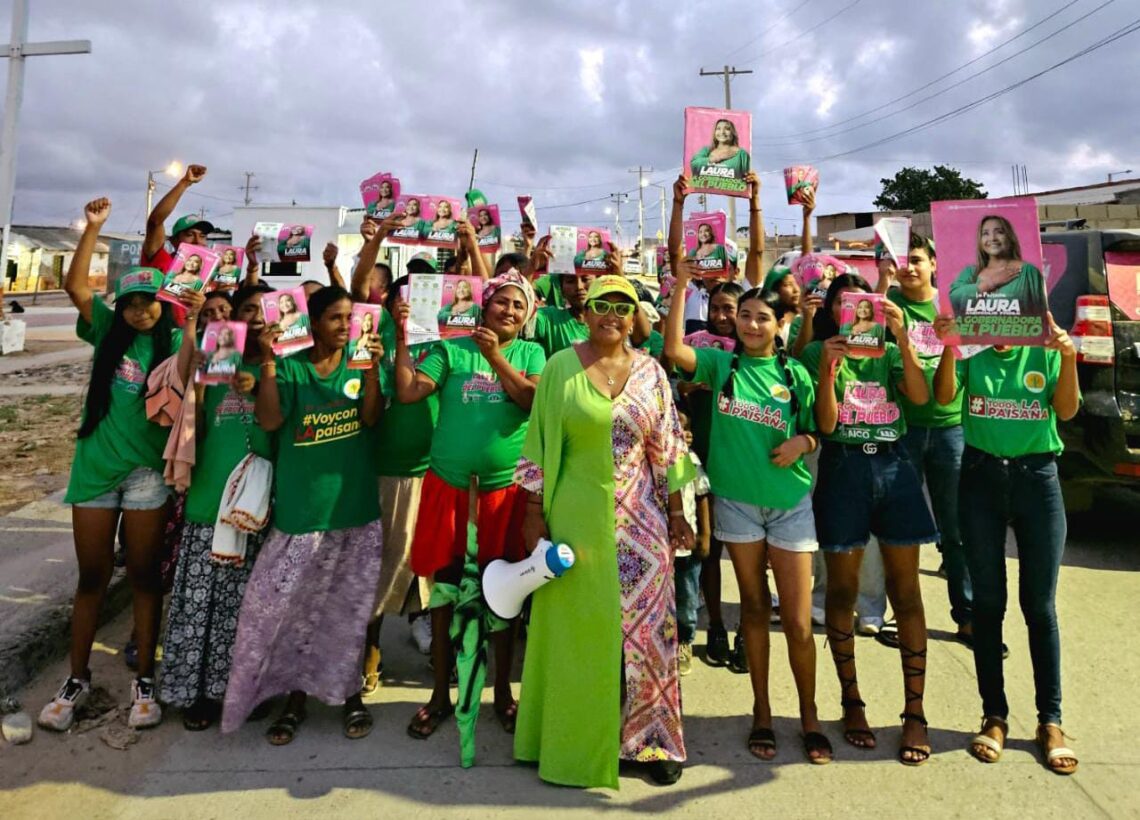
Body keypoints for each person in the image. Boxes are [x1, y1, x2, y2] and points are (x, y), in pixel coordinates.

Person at [514, 274, 694, 788]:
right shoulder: (559, 369)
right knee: (576, 637)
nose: (612, 315)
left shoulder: (652, 374)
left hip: (643, 525)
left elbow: (669, 447)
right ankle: (564, 740)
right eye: (602, 305)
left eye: (623, 306)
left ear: (635, 316)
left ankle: (654, 744)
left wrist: (678, 513)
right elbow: (540, 444)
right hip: (574, 523)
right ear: (584, 312)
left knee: (650, 639)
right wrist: (533, 512)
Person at [39, 198, 202, 733]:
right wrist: (93, 228)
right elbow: (77, 289)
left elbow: (204, 365)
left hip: (147, 478)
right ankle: (77, 677)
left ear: (162, 303)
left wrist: (196, 317)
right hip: (94, 473)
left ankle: (145, 681)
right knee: (91, 577)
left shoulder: (175, 339)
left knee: (144, 578)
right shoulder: (108, 331)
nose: (139, 311)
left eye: (148, 302)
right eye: (130, 302)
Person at [666, 259, 830, 765]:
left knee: (799, 623)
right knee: (754, 612)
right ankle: (761, 712)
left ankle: (808, 716)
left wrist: (803, 441)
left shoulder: (794, 372)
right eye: (745, 316)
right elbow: (673, 351)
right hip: (736, 506)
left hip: (789, 507)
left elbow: (821, 428)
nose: (752, 324)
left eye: (763, 317)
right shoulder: (721, 366)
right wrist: (680, 285)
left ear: (781, 325)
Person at [222, 285, 386, 745]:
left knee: (349, 613)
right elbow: (272, 422)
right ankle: (294, 699)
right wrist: (271, 363)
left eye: (349, 317)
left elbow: (372, 418)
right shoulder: (290, 368)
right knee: (291, 612)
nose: (344, 325)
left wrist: (373, 373)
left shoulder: (361, 362)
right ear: (312, 323)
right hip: (300, 515)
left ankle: (349, 695)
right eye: (335, 317)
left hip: (353, 509)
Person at [394, 269, 544, 741]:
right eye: (502, 301)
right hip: (449, 489)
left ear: (527, 318)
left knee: (504, 598)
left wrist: (496, 357)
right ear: (484, 304)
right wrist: (401, 339)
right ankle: (441, 694)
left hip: (504, 494)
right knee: (444, 595)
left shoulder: (531, 353)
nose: (510, 311)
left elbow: (529, 399)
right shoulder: (450, 348)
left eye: (519, 306)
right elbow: (408, 391)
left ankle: (501, 694)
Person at [796, 272, 940, 766]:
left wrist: (902, 338)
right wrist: (829, 371)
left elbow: (920, 399)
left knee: (907, 592)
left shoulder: (891, 349)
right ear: (833, 312)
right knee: (841, 589)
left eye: (862, 304)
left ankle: (914, 713)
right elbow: (827, 424)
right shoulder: (819, 353)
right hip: (844, 467)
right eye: (843, 304)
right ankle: (851, 702)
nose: (853, 313)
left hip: (895, 463)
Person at [932, 312, 1080, 775]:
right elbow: (943, 396)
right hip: (979, 479)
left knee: (1040, 606)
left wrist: (1069, 355)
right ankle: (993, 715)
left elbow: (1068, 410)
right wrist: (950, 347)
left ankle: (1050, 721)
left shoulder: (1043, 348)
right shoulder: (971, 349)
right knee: (988, 604)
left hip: (1038, 478)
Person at [159, 285, 274, 731]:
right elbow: (196, 430)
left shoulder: (285, 363)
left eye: (267, 309)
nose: (258, 316)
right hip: (210, 501)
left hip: (259, 507)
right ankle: (199, 693)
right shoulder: (218, 354)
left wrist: (264, 372)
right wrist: (203, 388)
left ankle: (245, 689)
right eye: (248, 309)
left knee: (248, 608)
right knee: (201, 604)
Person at [887, 234, 978, 654]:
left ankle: (968, 614)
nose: (909, 267)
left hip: (949, 427)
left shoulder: (954, 305)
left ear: (935, 264)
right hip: (900, 428)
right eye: (902, 261)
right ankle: (897, 610)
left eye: (917, 260)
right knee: (899, 527)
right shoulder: (884, 305)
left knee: (956, 526)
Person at [948, 215, 1047, 317]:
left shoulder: (1028, 272)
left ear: (1010, 237)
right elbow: (954, 298)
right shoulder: (970, 273)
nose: (992, 238)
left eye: (999, 232)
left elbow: (1042, 316)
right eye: (985, 233)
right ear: (980, 241)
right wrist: (990, 284)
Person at [673, 412, 710, 678]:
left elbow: (702, 496)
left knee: (687, 595)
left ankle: (685, 640)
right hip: (659, 543)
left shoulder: (691, 461)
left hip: (686, 545)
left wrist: (705, 535)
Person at [141, 163, 213, 274]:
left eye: (203, 236)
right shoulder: (163, 260)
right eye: (190, 235)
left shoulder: (209, 273)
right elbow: (155, 222)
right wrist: (185, 182)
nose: (197, 241)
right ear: (174, 241)